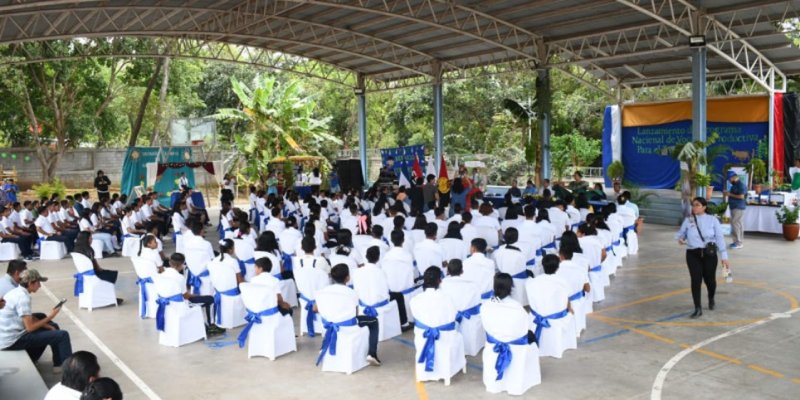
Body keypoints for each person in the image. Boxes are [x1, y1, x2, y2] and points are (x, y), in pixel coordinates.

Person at [0, 269, 72, 370]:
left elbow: (27, 316)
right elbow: (30, 328)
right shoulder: (23, 298)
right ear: (30, 283)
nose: (40, 286)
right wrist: (50, 317)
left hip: (6, 335)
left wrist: (46, 324)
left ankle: (58, 363)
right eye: (38, 283)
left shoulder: (16, 291)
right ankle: (69, 371)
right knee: (63, 335)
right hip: (12, 341)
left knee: (47, 323)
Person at [314, 263, 381, 366]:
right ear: (348, 278)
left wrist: (331, 312)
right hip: (349, 327)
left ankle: (324, 347)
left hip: (329, 323)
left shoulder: (322, 291)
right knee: (374, 321)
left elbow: (315, 309)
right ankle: (372, 354)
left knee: (334, 318)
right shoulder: (351, 292)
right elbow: (355, 313)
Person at [675, 197, 730, 319]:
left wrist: (724, 256)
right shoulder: (688, 220)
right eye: (693, 205)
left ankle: (711, 297)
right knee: (695, 280)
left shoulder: (713, 220)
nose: (694, 207)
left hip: (709, 254)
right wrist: (680, 238)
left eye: (697, 205)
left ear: (704, 207)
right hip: (692, 254)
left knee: (710, 280)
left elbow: (720, 238)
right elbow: (680, 233)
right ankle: (697, 308)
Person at [160, 253, 226, 336]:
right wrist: (196, 295)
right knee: (210, 299)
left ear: (170, 263)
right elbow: (186, 296)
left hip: (167, 304)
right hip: (181, 305)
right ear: (181, 265)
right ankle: (211, 325)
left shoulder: (161, 275)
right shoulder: (179, 278)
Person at [723, 171, 746, 249]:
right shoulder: (735, 185)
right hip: (735, 207)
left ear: (733, 177)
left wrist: (729, 194)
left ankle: (738, 243)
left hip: (738, 207)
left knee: (735, 224)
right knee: (738, 224)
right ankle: (738, 241)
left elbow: (741, 196)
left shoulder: (740, 185)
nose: (729, 181)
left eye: (729, 179)